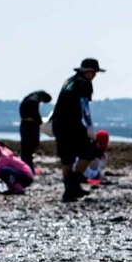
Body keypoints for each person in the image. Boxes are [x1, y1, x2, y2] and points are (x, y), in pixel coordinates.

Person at [52, 58, 104, 202]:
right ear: (87, 71)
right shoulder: (85, 84)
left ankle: (69, 190)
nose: (94, 75)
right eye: (93, 72)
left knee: (66, 158)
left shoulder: (69, 81)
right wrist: (90, 128)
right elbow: (84, 107)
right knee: (90, 150)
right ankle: (74, 182)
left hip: (59, 123)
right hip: (72, 124)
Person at [18, 90, 52, 172]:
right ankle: (28, 168)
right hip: (31, 126)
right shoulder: (34, 100)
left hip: (24, 124)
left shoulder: (28, 98)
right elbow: (35, 114)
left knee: (25, 149)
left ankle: (25, 167)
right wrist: (40, 123)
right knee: (31, 147)